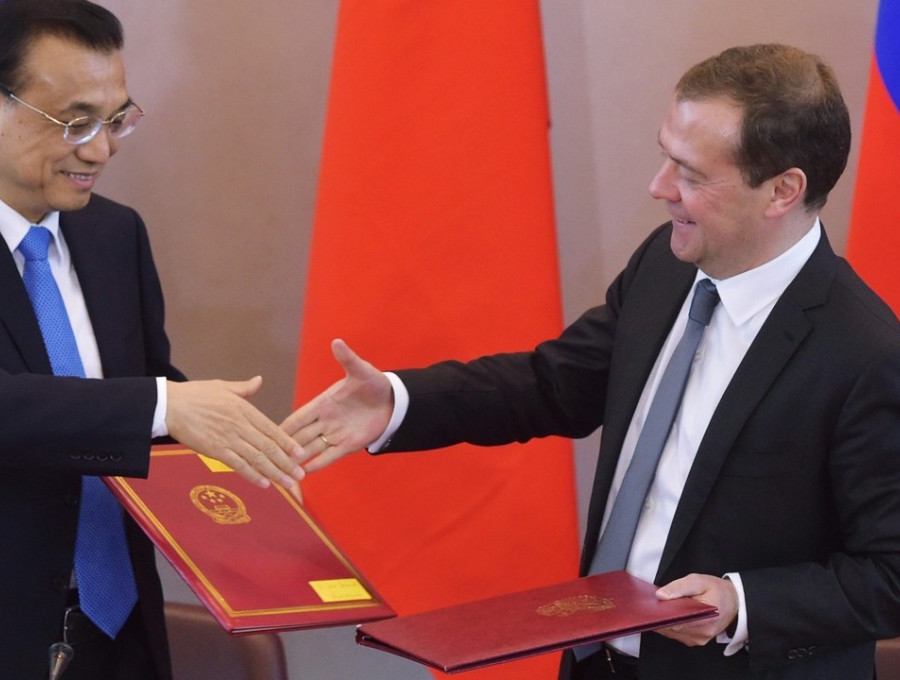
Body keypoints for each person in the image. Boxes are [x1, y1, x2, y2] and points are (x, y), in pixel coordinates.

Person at [283, 44, 900, 679]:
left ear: (783, 190)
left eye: (691, 175)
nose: (659, 188)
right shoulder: (666, 263)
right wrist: (397, 402)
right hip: (595, 660)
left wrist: (743, 602)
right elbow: (555, 383)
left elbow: (891, 574)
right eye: (666, 156)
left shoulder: (866, 354)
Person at [0, 1, 306, 678]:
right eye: (74, 122)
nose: (101, 149)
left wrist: (253, 454)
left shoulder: (115, 233)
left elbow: (141, 400)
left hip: (121, 629)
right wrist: (167, 407)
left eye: (116, 120)